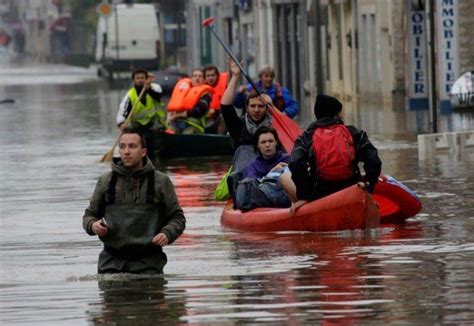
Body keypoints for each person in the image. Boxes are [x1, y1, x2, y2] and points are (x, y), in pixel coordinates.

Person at [83, 128, 186, 274]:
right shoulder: (105, 181)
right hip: (110, 264)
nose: (126, 151)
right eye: (123, 146)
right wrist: (93, 225)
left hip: (149, 265)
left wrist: (167, 233)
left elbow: (177, 218)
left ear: (143, 152)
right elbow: (89, 215)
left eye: (132, 146)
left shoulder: (161, 182)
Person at [287, 94, 382, 213]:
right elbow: (373, 159)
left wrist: (304, 196)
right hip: (353, 188)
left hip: (320, 194)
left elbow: (296, 164)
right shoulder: (354, 132)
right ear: (337, 114)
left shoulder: (306, 137)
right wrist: (368, 184)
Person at [220, 58, 276, 196]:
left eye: (261, 106)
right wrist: (235, 76)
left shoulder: (275, 125)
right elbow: (225, 106)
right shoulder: (238, 126)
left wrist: (273, 105)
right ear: (247, 107)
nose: (256, 110)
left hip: (271, 179)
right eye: (253, 106)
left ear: (266, 108)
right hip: (243, 180)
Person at [234, 126, 294, 211]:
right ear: (258, 145)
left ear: (276, 142)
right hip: (267, 201)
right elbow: (254, 189)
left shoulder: (288, 159)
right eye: (263, 142)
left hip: (288, 197)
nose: (267, 145)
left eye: (270, 141)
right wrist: (272, 173)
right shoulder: (253, 166)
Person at [116, 68, 167, 147]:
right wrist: (121, 123)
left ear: (146, 79)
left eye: (142, 78)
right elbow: (122, 111)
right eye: (138, 78)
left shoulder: (155, 87)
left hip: (154, 122)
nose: (140, 80)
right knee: (129, 135)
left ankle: (157, 152)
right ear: (133, 80)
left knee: (156, 132)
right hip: (137, 125)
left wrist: (148, 89)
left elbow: (158, 95)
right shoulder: (130, 95)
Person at [233, 66, 299, 118]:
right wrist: (239, 93)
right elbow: (238, 105)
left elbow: (294, 107)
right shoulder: (250, 88)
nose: (269, 79)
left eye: (271, 76)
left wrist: (284, 114)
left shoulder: (280, 90)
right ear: (260, 77)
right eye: (266, 76)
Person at [167, 69, 212, 134]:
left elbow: (198, 111)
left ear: (204, 80)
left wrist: (178, 115)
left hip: (194, 125)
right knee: (168, 133)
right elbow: (172, 105)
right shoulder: (183, 91)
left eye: (200, 76)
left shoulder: (206, 95)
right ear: (191, 78)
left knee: (187, 135)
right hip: (176, 123)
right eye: (195, 76)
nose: (197, 78)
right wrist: (170, 116)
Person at [203, 65, 228, 134]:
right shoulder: (200, 88)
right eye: (208, 76)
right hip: (203, 118)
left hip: (218, 117)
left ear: (217, 76)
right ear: (204, 77)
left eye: (213, 75)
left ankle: (219, 140)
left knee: (224, 117)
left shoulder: (225, 87)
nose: (211, 78)